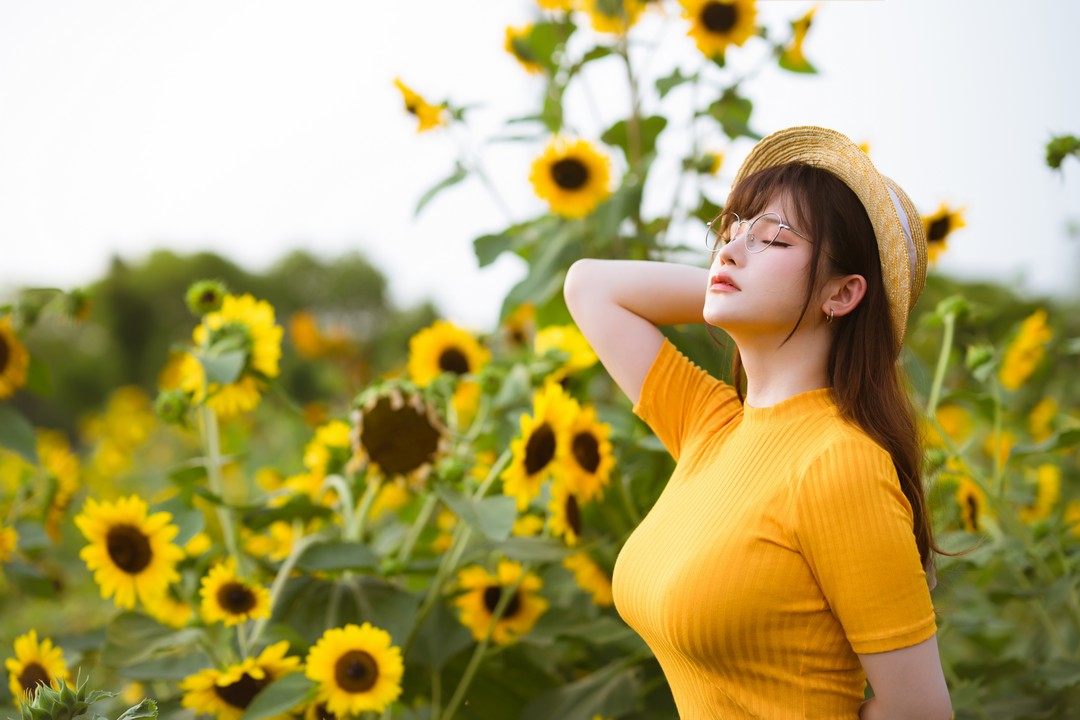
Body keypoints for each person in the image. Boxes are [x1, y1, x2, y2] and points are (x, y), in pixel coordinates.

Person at [563, 126, 952, 719]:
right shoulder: (710, 426)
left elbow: (920, 712)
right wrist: (742, 284)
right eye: (733, 228)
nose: (731, 248)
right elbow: (589, 286)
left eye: (775, 238)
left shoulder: (840, 462)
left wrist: (766, 293)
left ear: (845, 294)